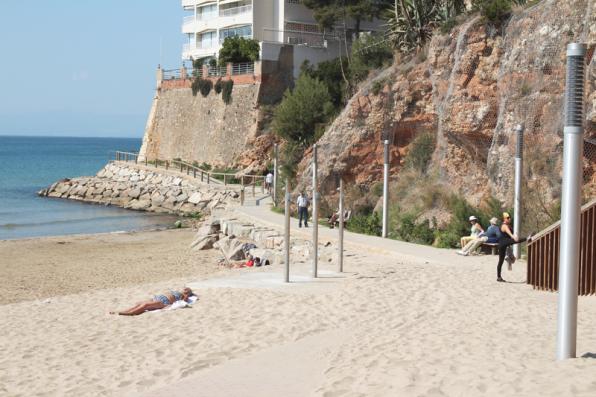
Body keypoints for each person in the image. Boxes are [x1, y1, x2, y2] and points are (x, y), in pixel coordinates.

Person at [496, 212, 533, 282]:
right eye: (508, 218)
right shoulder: (504, 226)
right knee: (500, 261)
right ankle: (527, 238)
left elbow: (512, 233)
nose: (509, 219)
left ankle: (499, 277)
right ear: (504, 219)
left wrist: (515, 236)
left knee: (501, 261)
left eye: (510, 217)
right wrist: (513, 237)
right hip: (502, 243)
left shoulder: (508, 225)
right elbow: (509, 233)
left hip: (506, 243)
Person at [110, 287, 194, 316]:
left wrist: (186, 295)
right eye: (186, 288)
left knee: (145, 305)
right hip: (158, 298)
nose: (185, 289)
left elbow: (183, 302)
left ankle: (131, 313)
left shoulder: (184, 295)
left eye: (187, 290)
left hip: (164, 301)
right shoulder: (176, 291)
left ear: (188, 292)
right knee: (139, 303)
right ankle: (124, 311)